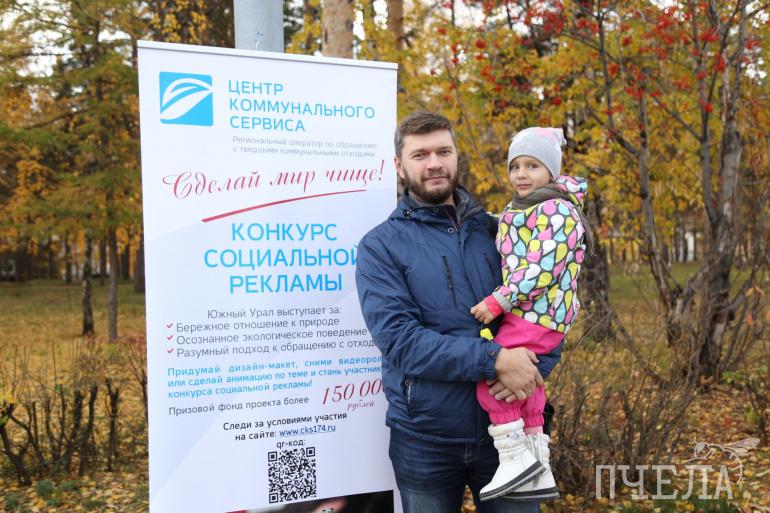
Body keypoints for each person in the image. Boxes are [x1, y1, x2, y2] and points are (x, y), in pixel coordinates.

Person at [355, 112, 562, 513]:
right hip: (425, 441)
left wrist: (533, 369)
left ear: (456, 156)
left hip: (510, 430)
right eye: (420, 155)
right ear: (398, 165)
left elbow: (550, 304)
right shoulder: (380, 246)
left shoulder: (499, 231)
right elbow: (400, 342)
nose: (434, 163)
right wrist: (495, 360)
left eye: (443, 151)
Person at [469, 127, 590, 501]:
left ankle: (514, 461)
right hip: (536, 314)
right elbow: (512, 231)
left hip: (537, 314)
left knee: (493, 380)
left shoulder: (559, 210)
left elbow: (542, 266)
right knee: (529, 385)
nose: (521, 174)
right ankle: (539, 462)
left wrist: (499, 301)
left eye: (532, 166)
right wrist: (481, 218)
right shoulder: (525, 208)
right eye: (515, 166)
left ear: (551, 171)